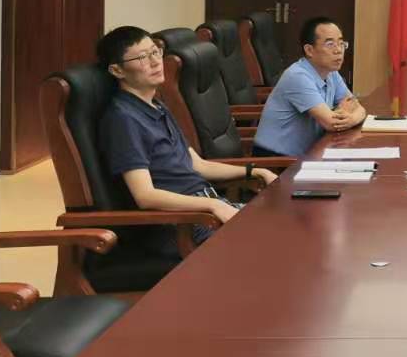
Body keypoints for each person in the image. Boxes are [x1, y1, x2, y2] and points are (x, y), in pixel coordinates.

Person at [97, 26, 277, 245]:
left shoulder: (156, 106)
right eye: (142, 57)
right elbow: (145, 196)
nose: (155, 62)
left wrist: (254, 171)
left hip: (208, 208)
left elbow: (198, 165)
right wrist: (212, 205)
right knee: (278, 242)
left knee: (290, 220)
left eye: (155, 52)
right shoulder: (124, 119)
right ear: (117, 70)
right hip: (184, 224)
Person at [252, 16, 366, 157]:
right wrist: (344, 113)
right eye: (330, 44)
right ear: (309, 50)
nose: (338, 50)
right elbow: (332, 124)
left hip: (310, 154)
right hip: (276, 160)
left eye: (341, 43)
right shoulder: (297, 76)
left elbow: (357, 106)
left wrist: (351, 118)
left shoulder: (331, 73)